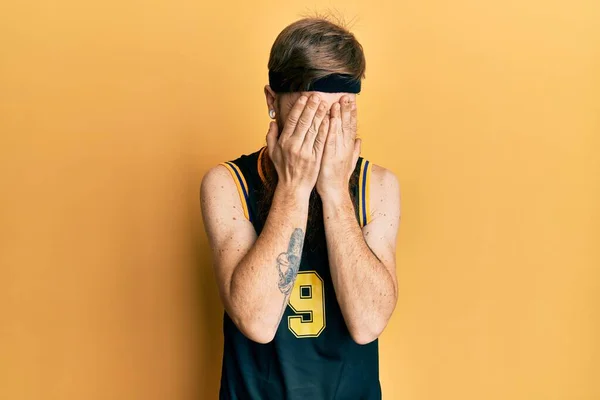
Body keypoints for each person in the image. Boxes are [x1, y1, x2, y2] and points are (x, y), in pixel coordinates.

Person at [200, 16, 401, 400]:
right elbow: (256, 321)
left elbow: (368, 323)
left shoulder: (379, 186)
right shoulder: (227, 184)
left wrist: (335, 191)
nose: (324, 130)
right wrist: (294, 187)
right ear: (272, 101)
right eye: (310, 113)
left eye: (339, 112)